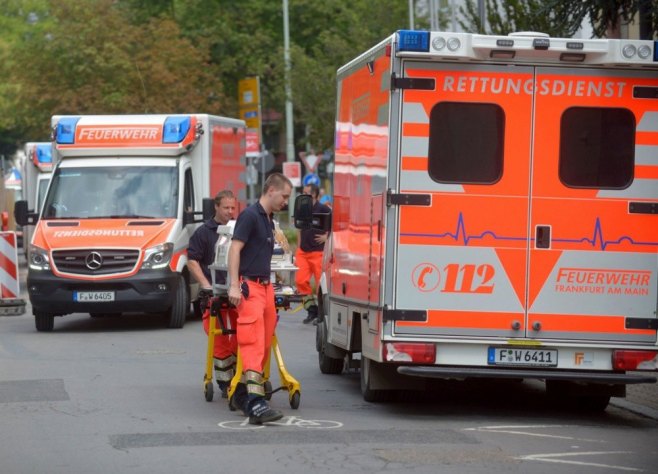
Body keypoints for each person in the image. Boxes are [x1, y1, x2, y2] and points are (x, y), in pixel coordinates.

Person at [227, 172, 293, 425]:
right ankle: (255, 405)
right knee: (252, 344)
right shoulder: (251, 216)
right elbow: (235, 249)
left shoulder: (267, 219)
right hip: (250, 287)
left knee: (264, 344)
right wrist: (234, 285)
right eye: (284, 196)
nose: (286, 201)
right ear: (271, 190)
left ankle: (242, 395)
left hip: (265, 288)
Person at [187, 190, 238, 398]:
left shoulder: (238, 229)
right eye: (226, 208)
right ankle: (225, 383)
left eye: (233, 208)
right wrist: (206, 285)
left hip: (235, 292)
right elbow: (192, 261)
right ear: (216, 207)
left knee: (240, 336)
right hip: (214, 295)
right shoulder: (203, 232)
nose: (230, 212)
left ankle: (240, 376)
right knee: (218, 340)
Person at [295, 183, 330, 324]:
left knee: (320, 286)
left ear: (314, 195)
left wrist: (327, 237)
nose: (303, 195)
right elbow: (298, 229)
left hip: (318, 252)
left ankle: (321, 315)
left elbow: (336, 227)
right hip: (303, 252)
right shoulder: (302, 208)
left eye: (306, 192)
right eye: (302, 192)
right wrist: (297, 249)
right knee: (299, 281)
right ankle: (311, 309)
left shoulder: (324, 210)